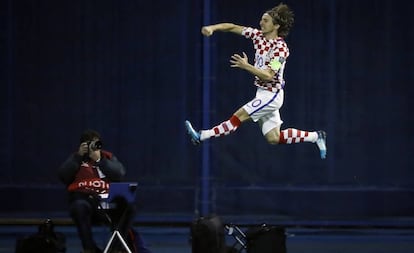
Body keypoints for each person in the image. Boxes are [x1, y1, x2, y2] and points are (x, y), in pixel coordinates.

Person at [185, 3, 327, 159]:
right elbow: (232, 27)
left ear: (276, 26)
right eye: (261, 19)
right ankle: (316, 136)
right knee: (274, 138)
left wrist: (246, 66)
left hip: (271, 96)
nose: (261, 23)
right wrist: (213, 28)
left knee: (237, 118)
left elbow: (268, 76)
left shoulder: (281, 49)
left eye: (265, 21)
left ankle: (201, 136)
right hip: (262, 92)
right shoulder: (257, 36)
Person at [58, 129, 151, 253]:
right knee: (79, 206)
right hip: (84, 199)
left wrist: (100, 160)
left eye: (95, 144)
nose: (92, 148)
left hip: (106, 200)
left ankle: (115, 248)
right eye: (88, 145)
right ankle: (89, 248)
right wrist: (78, 157)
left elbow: (119, 173)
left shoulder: (107, 157)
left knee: (129, 206)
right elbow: (63, 175)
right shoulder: (76, 158)